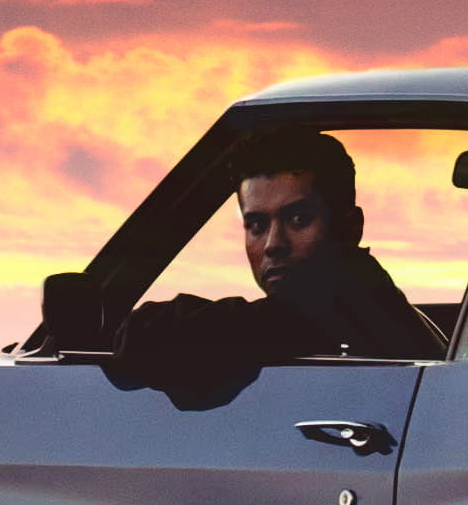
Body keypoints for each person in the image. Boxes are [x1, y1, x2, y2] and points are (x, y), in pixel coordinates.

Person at [119, 126, 443, 364]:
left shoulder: (341, 307)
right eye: (256, 225)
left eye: (298, 219)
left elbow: (146, 336)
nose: (274, 245)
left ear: (349, 228)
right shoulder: (370, 295)